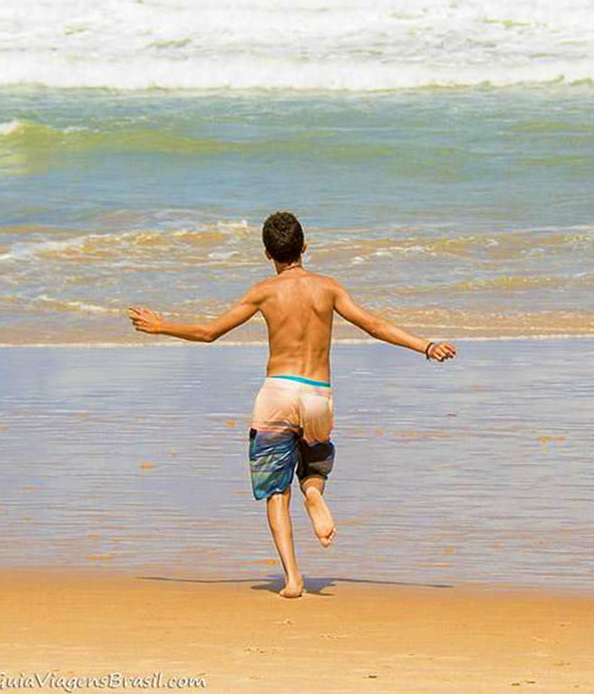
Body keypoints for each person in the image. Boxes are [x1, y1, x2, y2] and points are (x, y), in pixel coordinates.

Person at [128, 211, 456, 598]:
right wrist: (426, 345)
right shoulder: (328, 288)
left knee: (275, 489)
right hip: (318, 394)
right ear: (305, 247)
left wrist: (161, 326)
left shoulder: (264, 291)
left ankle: (293, 579)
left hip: (277, 393)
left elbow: (209, 333)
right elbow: (374, 325)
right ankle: (314, 493)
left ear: (268, 254)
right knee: (315, 458)